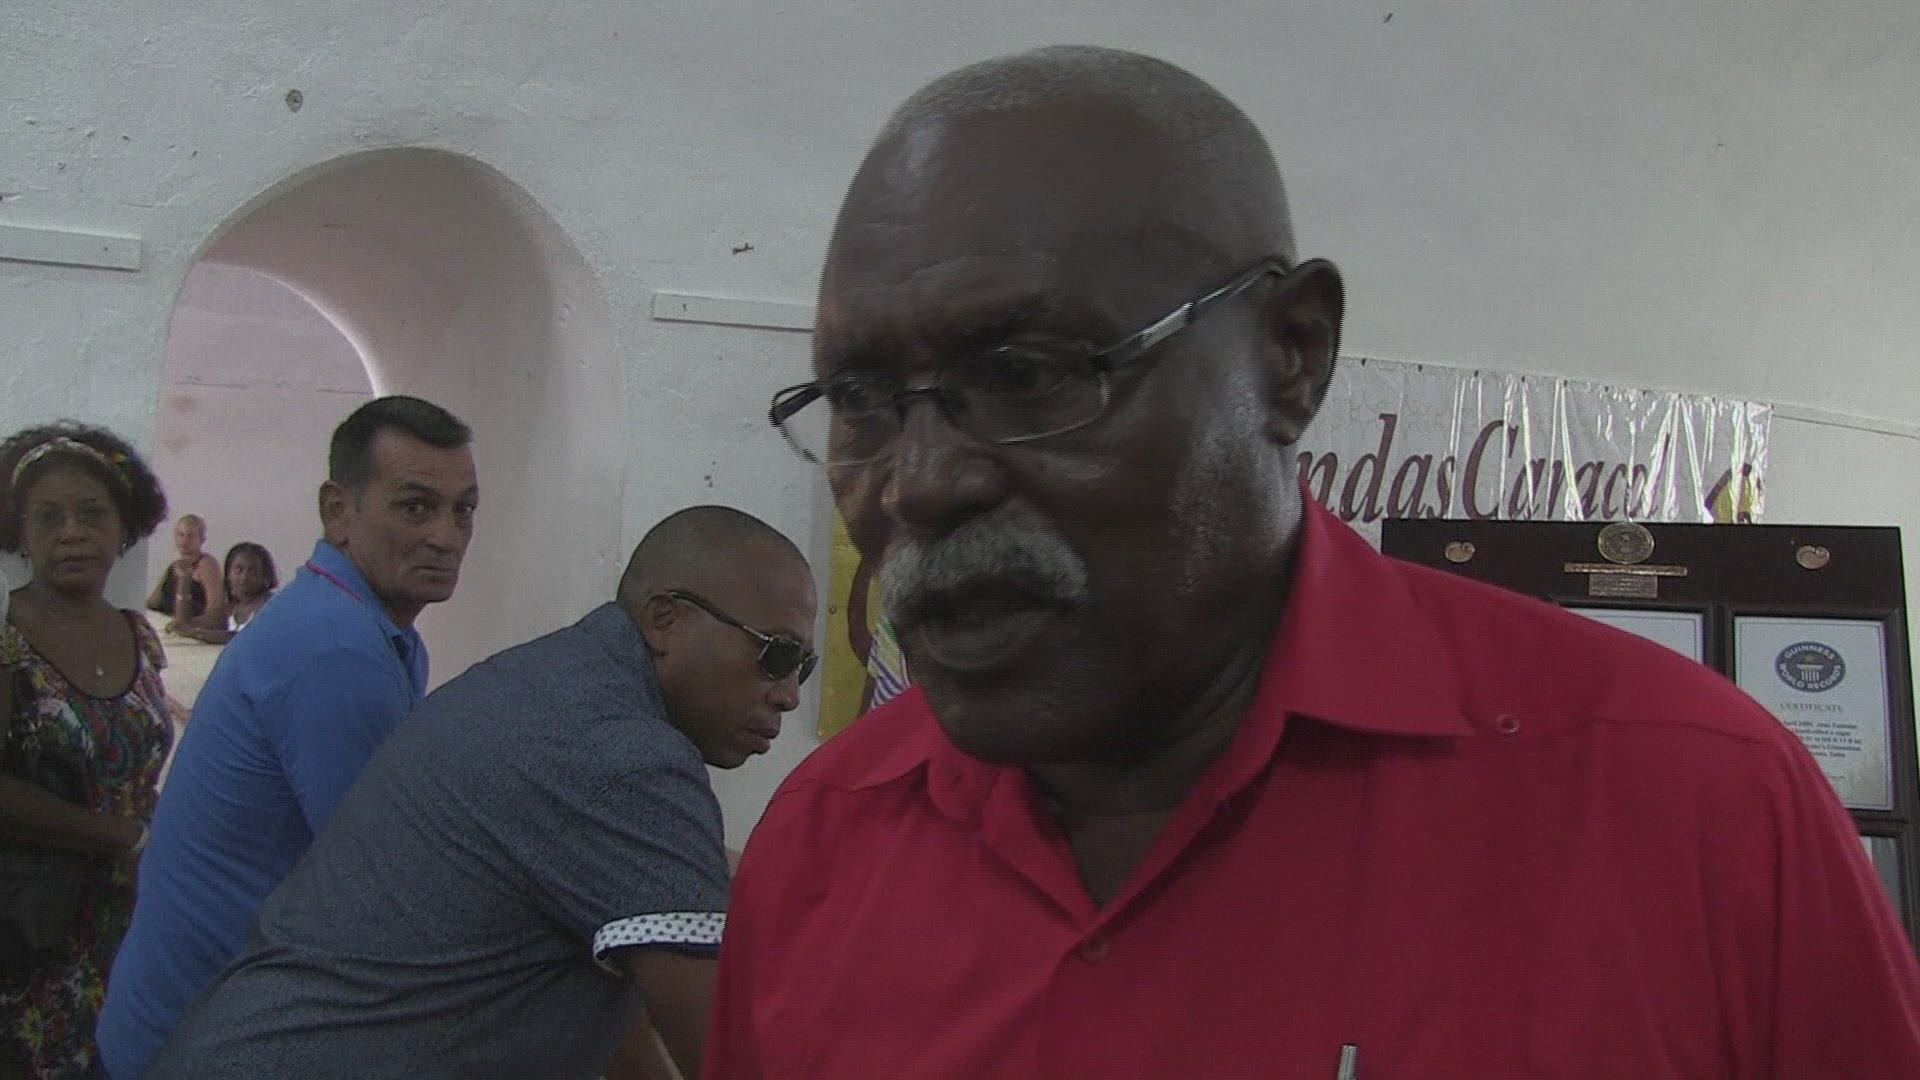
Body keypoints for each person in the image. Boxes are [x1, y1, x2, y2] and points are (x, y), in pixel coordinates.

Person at [712, 46, 1920, 1079]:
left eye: (1026, 374)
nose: (920, 483)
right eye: (861, 398)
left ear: (1291, 355)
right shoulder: (824, 847)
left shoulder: (1697, 809)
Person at [144, 505, 815, 1080]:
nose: (788, 694)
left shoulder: (562, 685)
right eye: (777, 654)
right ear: (664, 618)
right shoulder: (622, 755)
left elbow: (623, 1007)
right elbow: (731, 1056)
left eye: (804, 668)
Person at [98, 395, 478, 1080]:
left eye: (463, 510)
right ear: (338, 511)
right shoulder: (336, 647)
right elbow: (391, 887)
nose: (446, 536)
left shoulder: (366, 626)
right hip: (196, 1040)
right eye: (416, 507)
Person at [0, 423, 174, 1079]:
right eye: (48, 517)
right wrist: (123, 836)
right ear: (20, 533)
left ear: (123, 527)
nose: (71, 532)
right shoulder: (7, 639)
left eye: (91, 514)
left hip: (127, 924)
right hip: (29, 929)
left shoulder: (140, 635)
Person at [171, 542, 277, 645]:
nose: (244, 577)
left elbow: (243, 637)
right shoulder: (232, 607)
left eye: (252, 571)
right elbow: (186, 625)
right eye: (238, 570)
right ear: (228, 575)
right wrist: (184, 581)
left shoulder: (269, 606)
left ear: (265, 577)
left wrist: (195, 633)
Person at [144, 514, 224, 634]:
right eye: (180, 535)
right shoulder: (173, 566)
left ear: (202, 539)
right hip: (166, 629)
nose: (184, 540)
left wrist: (188, 627)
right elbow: (153, 602)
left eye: (190, 536)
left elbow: (215, 609)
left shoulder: (206, 564)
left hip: (193, 632)